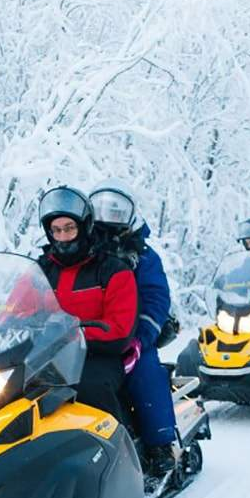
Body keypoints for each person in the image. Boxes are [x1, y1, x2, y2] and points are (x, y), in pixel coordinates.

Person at [89, 180, 180, 473]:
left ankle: (160, 442)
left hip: (131, 332)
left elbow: (155, 295)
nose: (106, 217)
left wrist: (140, 337)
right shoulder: (82, 247)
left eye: (114, 211)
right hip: (86, 333)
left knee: (145, 371)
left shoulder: (142, 255)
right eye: (100, 209)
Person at [35, 186, 138, 424]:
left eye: (69, 228)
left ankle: (116, 450)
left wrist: (71, 334)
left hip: (95, 356)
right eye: (56, 230)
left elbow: (119, 329)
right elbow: (14, 309)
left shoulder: (112, 270)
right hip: (43, 357)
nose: (62, 237)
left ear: (84, 226)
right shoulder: (39, 271)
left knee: (91, 389)